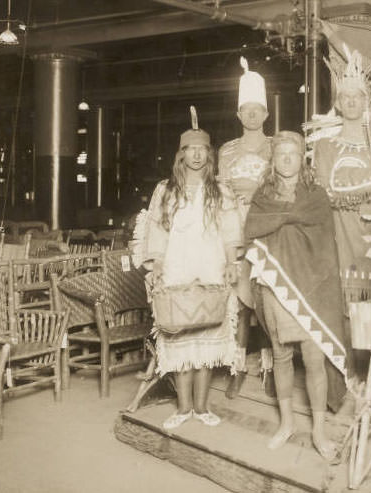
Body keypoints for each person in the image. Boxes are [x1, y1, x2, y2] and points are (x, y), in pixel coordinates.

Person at [245, 132, 349, 458]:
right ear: (273, 161)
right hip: (276, 284)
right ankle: (287, 423)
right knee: (280, 355)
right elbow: (253, 235)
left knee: (315, 359)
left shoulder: (316, 195)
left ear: (302, 158)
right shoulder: (263, 197)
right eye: (281, 155)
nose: (287, 159)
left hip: (312, 285)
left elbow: (324, 245)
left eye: (293, 154)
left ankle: (318, 431)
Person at [144, 118, 240, 430]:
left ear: (209, 155)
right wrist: (156, 263)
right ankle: (183, 408)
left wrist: (230, 262)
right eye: (190, 149)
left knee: (208, 341)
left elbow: (230, 233)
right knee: (180, 339)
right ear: (181, 154)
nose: (196, 155)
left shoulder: (220, 190)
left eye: (202, 149)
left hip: (211, 272)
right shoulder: (166, 190)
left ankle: (201, 407)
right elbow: (156, 231)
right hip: (176, 273)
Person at [314, 48, 371, 302]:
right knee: (347, 313)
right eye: (345, 97)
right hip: (341, 235)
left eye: (357, 97)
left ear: (366, 102)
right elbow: (328, 190)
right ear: (338, 104)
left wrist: (347, 185)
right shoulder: (324, 145)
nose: (351, 102)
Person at [218, 57, 274, 398]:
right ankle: (237, 365)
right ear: (239, 116)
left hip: (267, 231)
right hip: (236, 231)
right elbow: (221, 190)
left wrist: (257, 192)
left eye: (258, 110)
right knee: (238, 303)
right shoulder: (227, 151)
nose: (252, 115)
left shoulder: (276, 147)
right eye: (246, 110)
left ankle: (269, 366)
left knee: (267, 298)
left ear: (266, 115)